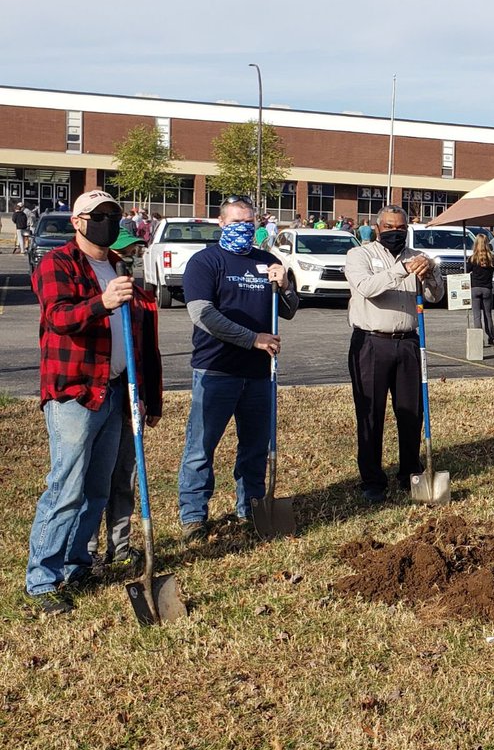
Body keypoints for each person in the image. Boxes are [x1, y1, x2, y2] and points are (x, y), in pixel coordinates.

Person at [25, 190, 163, 615]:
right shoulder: (58, 263)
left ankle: (76, 562)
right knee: (66, 486)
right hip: (76, 391)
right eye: (99, 215)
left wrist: (142, 396)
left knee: (97, 489)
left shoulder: (118, 265)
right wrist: (102, 302)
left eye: (114, 215)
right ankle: (42, 579)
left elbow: (138, 339)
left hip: (116, 390)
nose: (108, 222)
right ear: (79, 221)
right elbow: (59, 317)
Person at [177, 195, 299, 541]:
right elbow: (203, 315)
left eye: (249, 223)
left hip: (260, 374)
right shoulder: (206, 262)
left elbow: (289, 309)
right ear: (221, 224)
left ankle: (251, 507)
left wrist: (286, 283)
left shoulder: (267, 261)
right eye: (236, 223)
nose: (243, 229)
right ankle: (194, 517)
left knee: (255, 446)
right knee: (201, 447)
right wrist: (252, 338)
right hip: (216, 369)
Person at [344, 205, 444, 503]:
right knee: (371, 414)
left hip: (408, 342)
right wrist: (401, 270)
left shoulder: (416, 256)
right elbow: (366, 288)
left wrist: (431, 274)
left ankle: (410, 471)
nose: (395, 233)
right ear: (377, 228)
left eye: (400, 228)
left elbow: (434, 296)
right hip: (372, 342)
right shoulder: (359, 255)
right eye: (389, 227)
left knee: (411, 412)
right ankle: (373, 480)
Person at [88, 226, 153, 572]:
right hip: (98, 393)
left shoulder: (142, 297)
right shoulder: (97, 291)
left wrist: (143, 397)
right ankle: (87, 550)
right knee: (93, 479)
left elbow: (143, 354)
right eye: (124, 251)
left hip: (127, 393)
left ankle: (121, 545)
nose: (130, 258)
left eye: (134, 252)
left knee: (124, 474)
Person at [466, 233, 494, 346]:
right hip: (487, 288)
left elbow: (467, 271)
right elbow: (492, 272)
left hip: (475, 288)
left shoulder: (472, 258)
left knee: (476, 315)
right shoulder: (491, 258)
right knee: (488, 315)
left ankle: (479, 339)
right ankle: (491, 337)